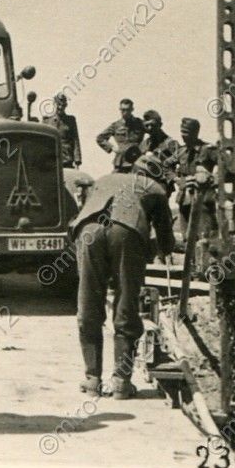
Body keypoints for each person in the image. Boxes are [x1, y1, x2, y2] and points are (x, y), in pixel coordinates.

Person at [69, 153, 174, 399]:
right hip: (126, 233)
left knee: (88, 303)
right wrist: (154, 250)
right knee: (126, 304)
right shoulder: (154, 188)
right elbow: (166, 242)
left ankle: (92, 380)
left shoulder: (105, 179)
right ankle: (121, 382)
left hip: (88, 231)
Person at [172, 117, 218, 241]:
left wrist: (212, 179)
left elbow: (226, 166)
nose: (183, 135)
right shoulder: (181, 152)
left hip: (204, 200)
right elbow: (166, 166)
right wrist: (177, 180)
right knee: (187, 238)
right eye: (182, 131)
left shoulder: (208, 150)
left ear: (195, 133)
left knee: (206, 237)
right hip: (184, 199)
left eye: (186, 132)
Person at [96, 98, 145, 173]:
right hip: (121, 161)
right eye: (122, 110)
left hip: (137, 159)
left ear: (132, 109)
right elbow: (100, 138)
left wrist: (147, 149)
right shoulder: (116, 125)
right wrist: (112, 148)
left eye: (127, 110)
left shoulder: (140, 123)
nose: (125, 112)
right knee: (114, 179)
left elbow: (154, 133)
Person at [41, 93, 82, 168]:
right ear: (54, 104)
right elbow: (42, 143)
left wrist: (77, 161)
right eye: (59, 104)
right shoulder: (46, 121)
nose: (60, 107)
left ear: (66, 105)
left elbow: (75, 140)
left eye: (63, 105)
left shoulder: (71, 120)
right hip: (50, 163)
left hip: (67, 161)